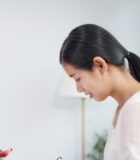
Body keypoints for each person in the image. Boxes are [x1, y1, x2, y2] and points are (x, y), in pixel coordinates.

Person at [59, 24, 140, 159]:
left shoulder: (135, 108)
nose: (78, 89)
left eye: (77, 78)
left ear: (100, 65)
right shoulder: (124, 109)